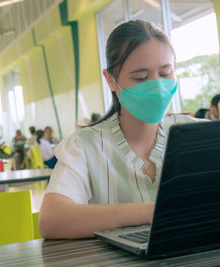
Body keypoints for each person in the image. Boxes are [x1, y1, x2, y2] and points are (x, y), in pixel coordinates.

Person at [39, 20, 202, 239]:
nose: (156, 86)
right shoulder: (85, 146)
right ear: (111, 80)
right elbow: (52, 220)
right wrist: (150, 212)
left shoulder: (197, 134)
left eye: (165, 73)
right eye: (141, 78)